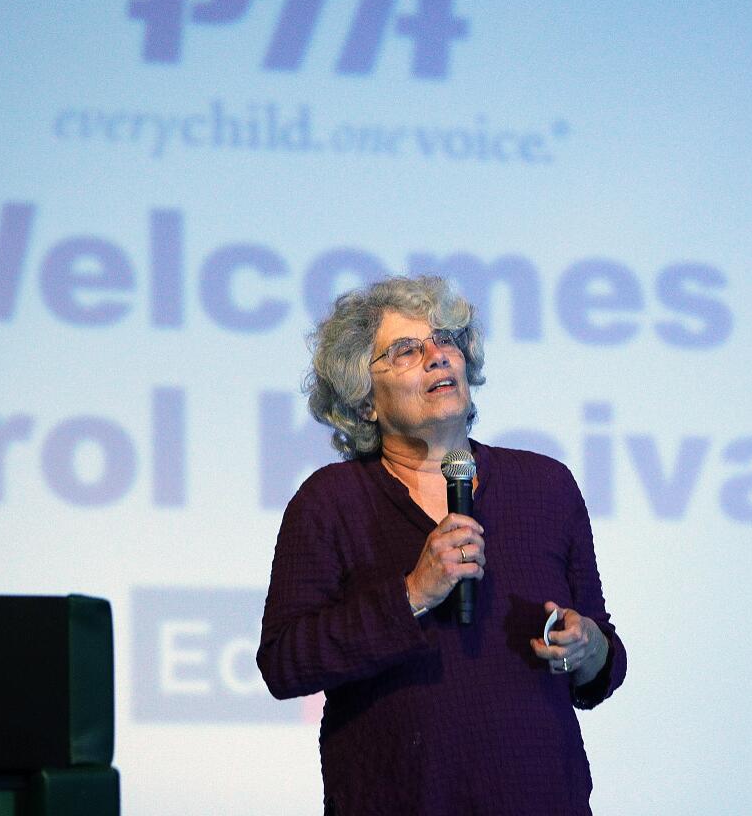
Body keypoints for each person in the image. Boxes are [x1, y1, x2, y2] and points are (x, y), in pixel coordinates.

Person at [257, 276, 626, 816]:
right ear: (364, 402)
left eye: (447, 340)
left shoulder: (546, 485)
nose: (437, 357)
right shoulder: (330, 501)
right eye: (407, 350)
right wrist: (411, 594)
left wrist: (589, 647)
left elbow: (602, 655)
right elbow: (285, 663)